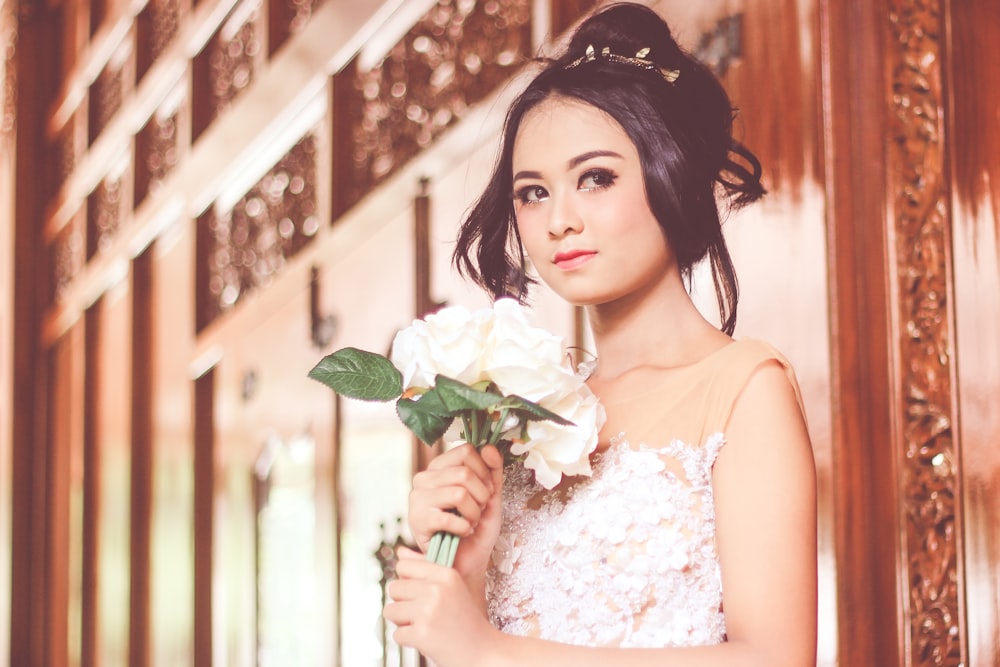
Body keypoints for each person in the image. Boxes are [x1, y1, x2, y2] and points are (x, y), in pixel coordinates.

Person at [382, 3, 817, 665]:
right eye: (533, 192)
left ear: (670, 174)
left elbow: (778, 658)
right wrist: (460, 567)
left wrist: (485, 647)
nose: (559, 220)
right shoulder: (519, 415)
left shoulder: (744, 389)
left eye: (596, 178)